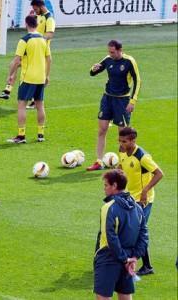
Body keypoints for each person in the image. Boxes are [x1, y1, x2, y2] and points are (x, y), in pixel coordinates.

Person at [86, 40, 141, 171]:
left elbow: (138, 81)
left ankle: (124, 164)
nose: (110, 54)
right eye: (108, 52)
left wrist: (132, 101)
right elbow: (94, 72)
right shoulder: (108, 59)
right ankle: (99, 161)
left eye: (112, 52)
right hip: (107, 98)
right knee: (102, 129)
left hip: (122, 101)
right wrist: (93, 69)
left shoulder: (129, 61)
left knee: (123, 135)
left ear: (120, 50)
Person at [94, 169, 148, 300]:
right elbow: (144, 235)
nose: (104, 189)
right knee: (125, 296)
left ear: (114, 186)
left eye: (106, 185)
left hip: (108, 257)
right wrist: (134, 257)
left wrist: (124, 259)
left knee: (103, 297)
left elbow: (110, 237)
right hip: (129, 257)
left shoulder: (109, 207)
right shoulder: (138, 207)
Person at [117, 127, 163, 276]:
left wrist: (145, 190)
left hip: (144, 201)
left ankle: (146, 266)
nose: (121, 144)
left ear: (133, 140)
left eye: (124, 141)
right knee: (131, 230)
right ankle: (138, 264)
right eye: (120, 140)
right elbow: (122, 166)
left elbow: (159, 174)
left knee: (137, 231)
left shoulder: (142, 156)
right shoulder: (122, 151)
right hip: (129, 197)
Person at [4, 15, 51, 144]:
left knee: (22, 106)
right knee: (40, 105)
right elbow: (49, 59)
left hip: (28, 78)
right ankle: (40, 134)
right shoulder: (43, 39)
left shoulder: (24, 40)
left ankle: (21, 136)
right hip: (41, 77)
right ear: (36, 24)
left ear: (26, 24)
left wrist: (10, 75)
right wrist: (47, 75)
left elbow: (16, 60)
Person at [26, 0, 56, 109]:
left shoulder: (49, 18)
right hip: (36, 49)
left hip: (43, 51)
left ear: (41, 6)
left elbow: (50, 34)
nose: (34, 11)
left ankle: (36, 101)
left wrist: (38, 40)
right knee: (34, 74)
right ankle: (35, 100)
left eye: (35, 9)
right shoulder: (38, 16)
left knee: (39, 76)